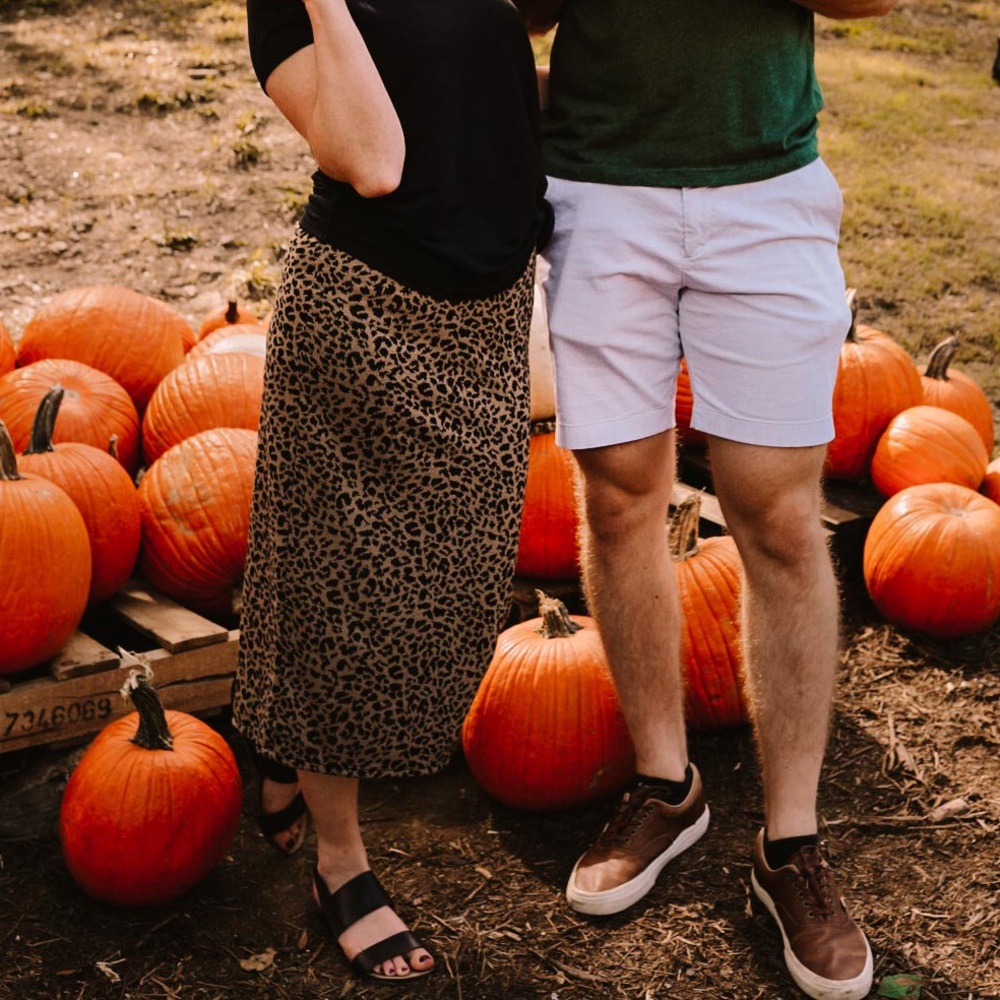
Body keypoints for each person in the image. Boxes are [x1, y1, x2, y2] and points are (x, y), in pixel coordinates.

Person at [514, 2, 896, 999]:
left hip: (766, 188)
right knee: (618, 497)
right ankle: (663, 786)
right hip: (600, 186)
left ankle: (792, 846)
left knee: (774, 515)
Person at [231, 0, 551, 984]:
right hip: (368, 321)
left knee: (447, 584)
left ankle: (279, 743)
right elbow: (370, 158)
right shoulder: (290, 11)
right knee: (349, 604)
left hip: (490, 314)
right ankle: (341, 864)